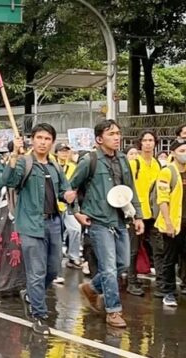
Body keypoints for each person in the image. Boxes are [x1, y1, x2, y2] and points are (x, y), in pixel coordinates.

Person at [2, 123, 75, 335]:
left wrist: (70, 196)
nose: (43, 142)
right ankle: (39, 315)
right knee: (37, 271)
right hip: (30, 224)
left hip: (53, 223)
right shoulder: (24, 162)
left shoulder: (54, 165)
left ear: (52, 142)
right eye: (39, 138)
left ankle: (32, 295)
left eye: (47, 139)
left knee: (53, 269)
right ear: (32, 139)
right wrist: (14, 155)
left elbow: (64, 190)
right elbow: (7, 181)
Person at [71, 119, 144, 329]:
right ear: (99, 138)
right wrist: (76, 212)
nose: (117, 137)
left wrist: (137, 216)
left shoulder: (123, 159)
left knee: (123, 264)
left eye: (118, 133)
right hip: (99, 221)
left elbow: (131, 190)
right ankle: (113, 311)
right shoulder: (89, 160)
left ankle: (91, 288)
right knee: (110, 269)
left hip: (120, 219)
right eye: (111, 134)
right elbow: (70, 188)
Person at [127, 131, 163, 297]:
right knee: (133, 249)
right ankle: (131, 280)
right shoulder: (135, 164)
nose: (148, 143)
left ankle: (163, 282)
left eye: (151, 140)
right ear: (140, 143)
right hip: (136, 213)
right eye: (145, 140)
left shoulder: (157, 164)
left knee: (158, 248)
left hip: (154, 213)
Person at [155, 139, 186, 307]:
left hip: (185, 221)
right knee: (169, 258)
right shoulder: (168, 172)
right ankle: (168, 292)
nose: (184, 154)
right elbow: (162, 199)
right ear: (173, 153)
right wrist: (167, 222)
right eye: (182, 150)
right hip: (173, 222)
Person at [55, 143, 82, 270]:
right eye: (61, 151)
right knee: (56, 235)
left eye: (66, 151)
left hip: (69, 204)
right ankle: (56, 261)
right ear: (56, 153)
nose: (64, 154)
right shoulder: (52, 165)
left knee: (76, 229)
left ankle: (73, 256)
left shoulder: (73, 167)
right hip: (54, 204)